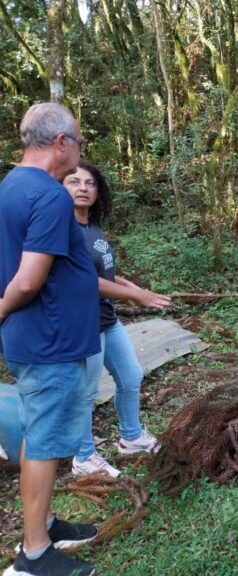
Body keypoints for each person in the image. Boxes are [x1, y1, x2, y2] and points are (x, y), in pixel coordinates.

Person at [0, 103, 100, 576]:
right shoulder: (50, 195)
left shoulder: (10, 185)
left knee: (40, 436)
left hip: (39, 338)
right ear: (60, 142)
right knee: (43, 442)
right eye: (79, 141)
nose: (80, 150)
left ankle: (44, 523)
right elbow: (27, 279)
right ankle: (34, 554)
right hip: (50, 339)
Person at [63, 160, 171, 478]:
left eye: (89, 183)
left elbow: (105, 272)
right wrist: (137, 297)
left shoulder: (90, 228)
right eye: (74, 182)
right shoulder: (62, 231)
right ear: (61, 188)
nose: (83, 187)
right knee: (86, 392)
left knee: (130, 376)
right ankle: (84, 457)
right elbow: (82, 281)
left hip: (108, 320)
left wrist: (132, 287)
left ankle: (132, 436)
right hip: (83, 325)